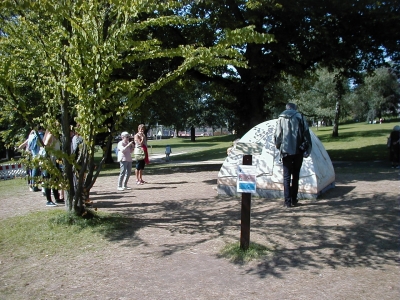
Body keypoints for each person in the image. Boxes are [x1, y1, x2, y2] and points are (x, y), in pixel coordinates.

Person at [274, 103, 312, 208]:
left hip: (285, 151)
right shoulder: (300, 116)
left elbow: (278, 135)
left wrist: (278, 146)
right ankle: (294, 199)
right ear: (295, 108)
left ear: (286, 108)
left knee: (286, 177)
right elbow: (306, 133)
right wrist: (307, 148)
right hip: (298, 150)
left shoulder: (280, 118)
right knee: (296, 176)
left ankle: (287, 202)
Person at [42, 128, 62, 206]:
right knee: (48, 180)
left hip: (55, 159)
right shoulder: (50, 135)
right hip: (50, 160)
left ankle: (57, 198)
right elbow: (46, 145)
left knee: (55, 179)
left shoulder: (56, 136)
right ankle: (48, 200)